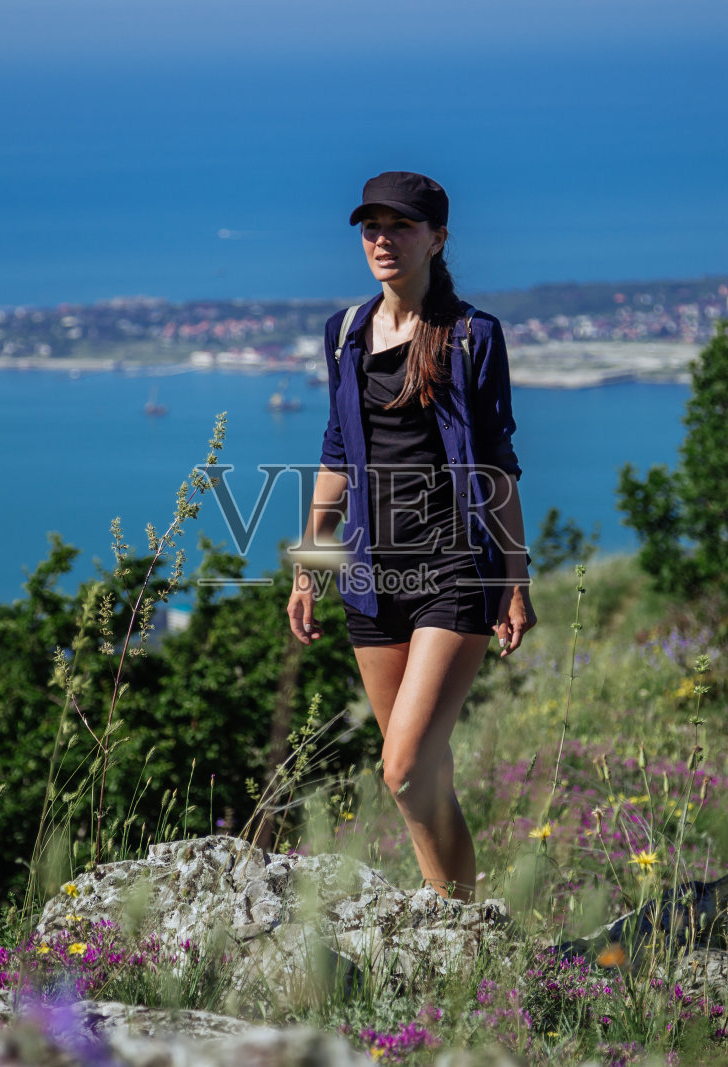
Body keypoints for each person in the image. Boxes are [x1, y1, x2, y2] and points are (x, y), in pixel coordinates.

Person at [286, 171, 535, 901]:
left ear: (437, 239)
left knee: (400, 769)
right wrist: (308, 568)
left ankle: (453, 917)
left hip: (454, 570)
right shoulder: (344, 334)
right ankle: (458, 923)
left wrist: (514, 578)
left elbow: (497, 464)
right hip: (370, 578)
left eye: (400, 226)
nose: (383, 240)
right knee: (426, 769)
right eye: (372, 227)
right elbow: (336, 454)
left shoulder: (472, 336)